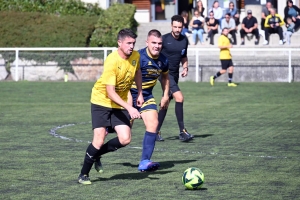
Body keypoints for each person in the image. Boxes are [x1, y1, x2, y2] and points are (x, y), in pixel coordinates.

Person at [77, 28, 144, 185]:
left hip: (118, 103)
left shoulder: (136, 56)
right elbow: (110, 92)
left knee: (125, 138)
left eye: (133, 43)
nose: (131, 46)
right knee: (99, 139)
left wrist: (139, 93)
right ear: (119, 43)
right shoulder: (112, 61)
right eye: (128, 43)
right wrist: (130, 107)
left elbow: (138, 72)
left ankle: (96, 155)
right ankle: (83, 174)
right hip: (101, 101)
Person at [129, 29, 170, 171]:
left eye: (159, 43)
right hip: (128, 95)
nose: (157, 46)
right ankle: (97, 152)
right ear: (147, 42)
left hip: (146, 96)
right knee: (124, 137)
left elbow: (165, 78)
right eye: (153, 43)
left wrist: (165, 95)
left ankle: (144, 161)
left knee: (153, 123)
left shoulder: (164, 60)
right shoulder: (138, 57)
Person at [156, 15, 193, 142]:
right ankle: (182, 131)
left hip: (175, 74)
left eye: (180, 27)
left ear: (183, 27)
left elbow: (184, 56)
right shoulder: (164, 39)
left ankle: (155, 131)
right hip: (165, 74)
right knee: (180, 97)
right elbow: (155, 53)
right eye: (175, 27)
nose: (177, 29)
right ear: (171, 26)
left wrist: (185, 67)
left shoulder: (184, 40)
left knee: (165, 101)